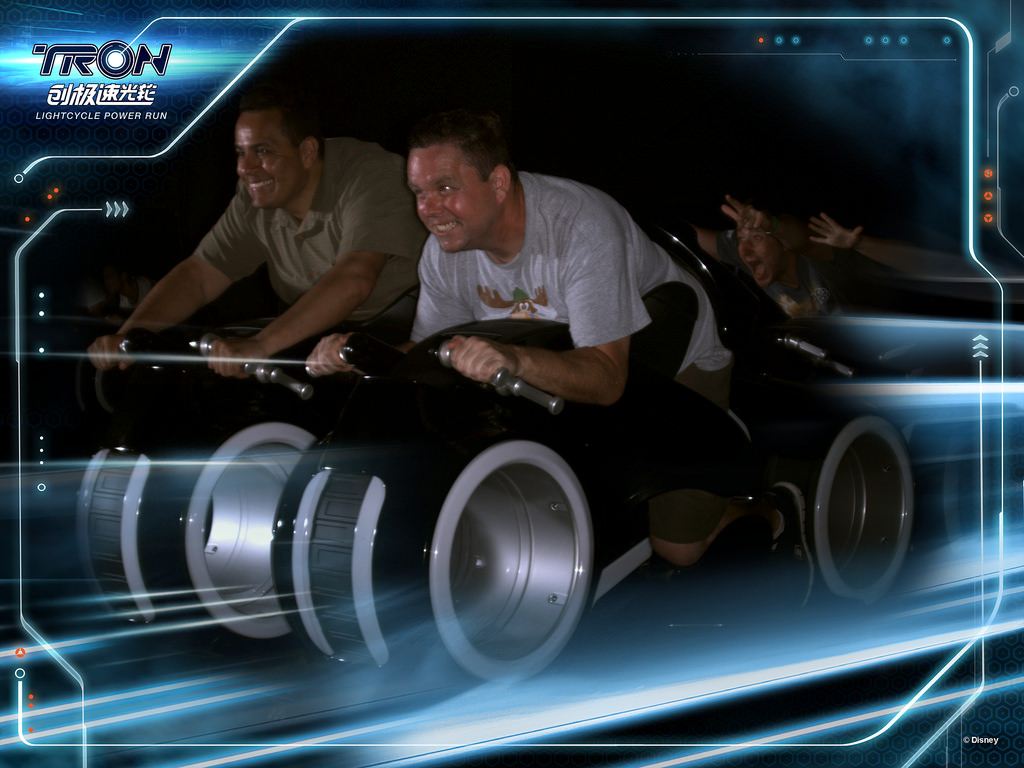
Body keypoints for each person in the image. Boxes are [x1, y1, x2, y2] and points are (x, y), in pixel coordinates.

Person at [306, 108, 781, 568]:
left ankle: (767, 500)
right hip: (566, 357)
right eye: (418, 192)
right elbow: (430, 352)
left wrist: (513, 358)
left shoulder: (580, 226)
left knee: (678, 548)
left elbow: (607, 380)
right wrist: (360, 357)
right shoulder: (444, 251)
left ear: (498, 182)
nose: (428, 209)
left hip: (672, 362)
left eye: (445, 188)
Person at [87, 82, 426, 377]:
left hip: (401, 330)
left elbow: (355, 279)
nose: (245, 168)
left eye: (262, 152)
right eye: (240, 153)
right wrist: (128, 336)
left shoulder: (368, 173)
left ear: (308, 152)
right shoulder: (256, 195)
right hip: (315, 334)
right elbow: (200, 275)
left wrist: (260, 345)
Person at [692, 196, 896, 318]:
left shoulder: (819, 257)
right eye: (740, 239)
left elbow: (802, 240)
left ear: (783, 244)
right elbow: (690, 236)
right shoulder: (751, 255)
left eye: (757, 237)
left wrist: (773, 226)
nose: (744, 250)